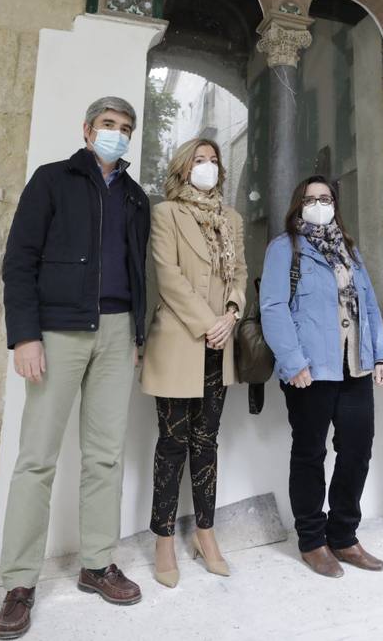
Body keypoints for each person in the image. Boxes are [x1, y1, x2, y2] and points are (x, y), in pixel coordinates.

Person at [0, 97, 150, 640]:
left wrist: (137, 335)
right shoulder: (52, 180)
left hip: (116, 334)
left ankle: (96, 563)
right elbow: (19, 260)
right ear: (87, 130)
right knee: (36, 458)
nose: (117, 134)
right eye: (108, 125)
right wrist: (25, 335)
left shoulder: (134, 196)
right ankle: (18, 583)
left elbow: (139, 272)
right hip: (57, 332)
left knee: (104, 456)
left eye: (125, 128)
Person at [259, 175, 383, 578]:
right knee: (310, 454)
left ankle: (344, 536)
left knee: (357, 450)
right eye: (311, 198)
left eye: (326, 198)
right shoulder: (285, 248)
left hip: (356, 367)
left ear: (335, 203)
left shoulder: (348, 249)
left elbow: (368, 303)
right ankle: (313, 541)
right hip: (311, 371)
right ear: (298, 204)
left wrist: (381, 354)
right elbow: (273, 306)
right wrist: (292, 361)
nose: (319, 203)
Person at [141, 138, 247, 586]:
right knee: (172, 443)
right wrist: (208, 322)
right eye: (199, 160)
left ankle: (206, 534)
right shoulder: (166, 212)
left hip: (219, 346)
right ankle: (164, 539)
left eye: (213, 161)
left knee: (207, 442)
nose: (208, 166)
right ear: (184, 168)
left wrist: (232, 313)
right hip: (178, 341)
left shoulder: (232, 218)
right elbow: (168, 275)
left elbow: (238, 272)